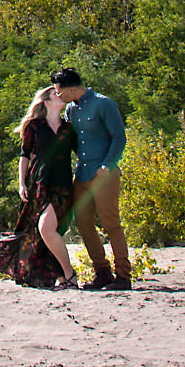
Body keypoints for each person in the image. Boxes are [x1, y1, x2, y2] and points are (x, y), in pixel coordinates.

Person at [53, 66, 130, 291]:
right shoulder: (71, 110)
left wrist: (107, 165)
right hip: (83, 173)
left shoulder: (104, 103)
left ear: (70, 88)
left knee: (110, 223)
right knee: (84, 223)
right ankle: (102, 271)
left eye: (59, 91)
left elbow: (119, 137)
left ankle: (123, 276)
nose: (59, 95)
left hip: (104, 174)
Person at [12, 84, 79, 289]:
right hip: (40, 184)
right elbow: (24, 155)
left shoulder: (69, 128)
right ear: (47, 102)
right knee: (44, 230)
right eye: (55, 94)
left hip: (63, 185)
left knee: (49, 230)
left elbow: (80, 154)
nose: (60, 96)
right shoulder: (34, 126)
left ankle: (66, 276)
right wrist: (22, 183)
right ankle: (66, 276)